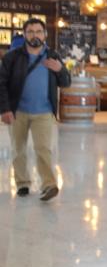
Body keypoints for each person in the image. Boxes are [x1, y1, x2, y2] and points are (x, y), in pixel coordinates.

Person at [0, 18, 71, 201]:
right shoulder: (12, 57)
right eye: (30, 32)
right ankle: (23, 183)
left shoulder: (53, 56)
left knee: (43, 149)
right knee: (18, 149)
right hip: (18, 111)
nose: (35, 35)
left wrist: (60, 70)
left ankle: (49, 185)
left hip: (44, 112)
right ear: (25, 35)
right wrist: (5, 109)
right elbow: (1, 83)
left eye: (38, 31)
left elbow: (66, 83)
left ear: (45, 35)